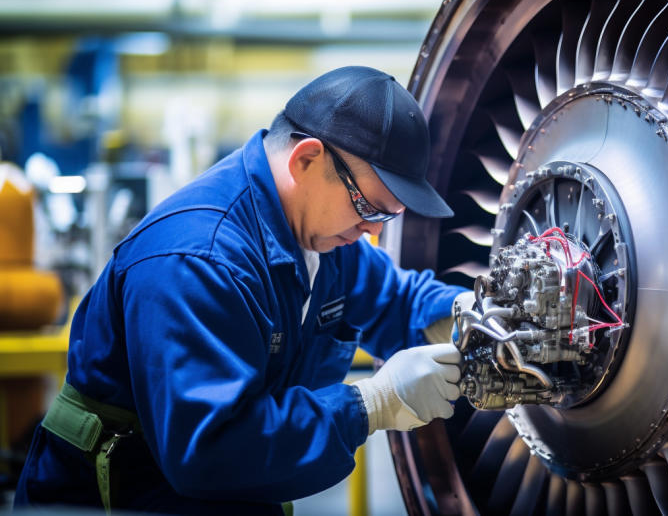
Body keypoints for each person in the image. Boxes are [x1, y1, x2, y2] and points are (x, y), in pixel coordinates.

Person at [15, 66, 470, 514]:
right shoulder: (199, 259)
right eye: (369, 206)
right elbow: (210, 449)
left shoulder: (324, 238)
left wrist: (465, 314)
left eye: (386, 215)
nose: (372, 229)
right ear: (306, 160)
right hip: (128, 497)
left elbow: (396, 300)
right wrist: (372, 404)